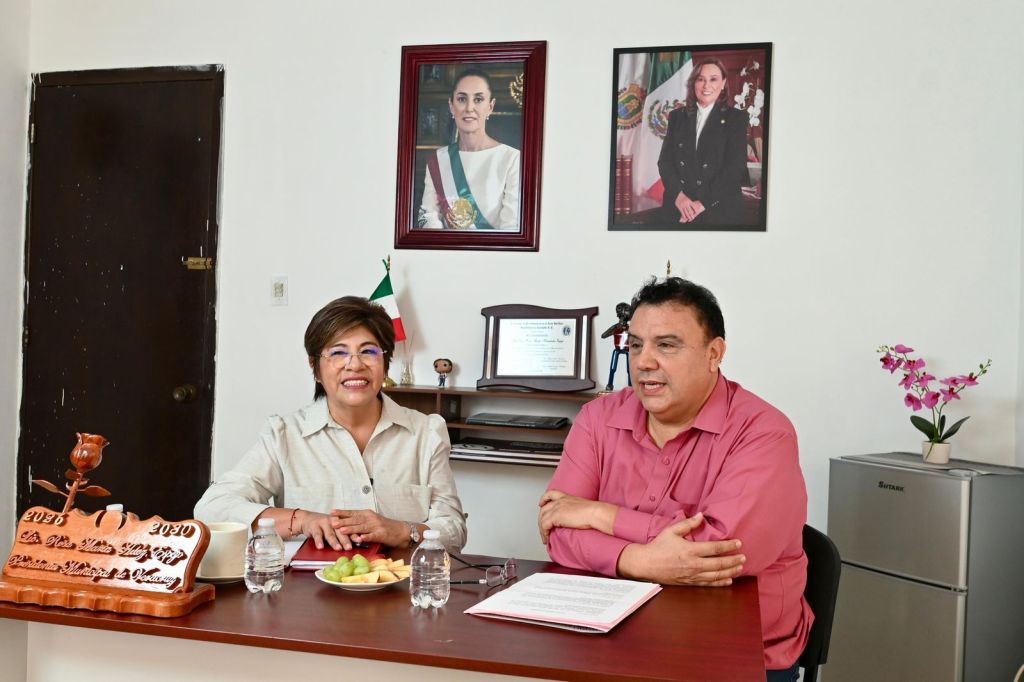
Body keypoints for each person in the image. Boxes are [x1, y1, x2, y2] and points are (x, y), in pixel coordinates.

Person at [538, 277, 811, 681]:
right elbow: (557, 528)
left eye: (666, 345)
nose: (643, 362)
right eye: (635, 345)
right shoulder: (598, 418)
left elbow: (720, 551)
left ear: (714, 354)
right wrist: (639, 561)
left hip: (734, 651)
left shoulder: (764, 431)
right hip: (616, 637)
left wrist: (598, 515)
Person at [194, 296, 466, 553]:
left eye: (368, 351)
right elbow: (212, 507)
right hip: (309, 585)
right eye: (338, 352)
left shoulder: (426, 433)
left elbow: (454, 529)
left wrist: (403, 531)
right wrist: (301, 520)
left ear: (385, 363)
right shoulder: (284, 435)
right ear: (315, 367)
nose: (354, 365)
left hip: (402, 582)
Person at [418, 68, 520, 231]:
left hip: (497, 248)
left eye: (478, 99)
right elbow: (428, 215)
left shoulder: (512, 159)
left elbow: (511, 227)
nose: (469, 107)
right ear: (451, 106)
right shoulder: (439, 159)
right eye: (462, 99)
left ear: (491, 106)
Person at [657, 58, 751, 226]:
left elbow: (734, 168)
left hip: (718, 209)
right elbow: (665, 162)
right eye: (700, 79)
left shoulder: (736, 118)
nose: (706, 86)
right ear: (694, 83)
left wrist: (701, 204)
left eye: (713, 79)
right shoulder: (677, 117)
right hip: (678, 208)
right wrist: (679, 197)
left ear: (723, 83)